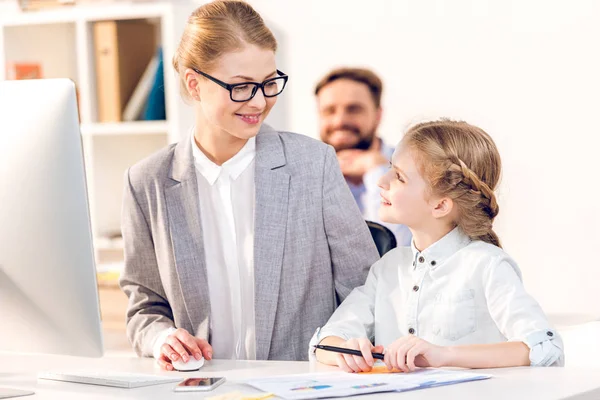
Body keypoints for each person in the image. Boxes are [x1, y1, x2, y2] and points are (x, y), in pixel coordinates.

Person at [119, 0, 379, 370]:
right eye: (241, 87)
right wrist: (163, 337)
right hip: (201, 389)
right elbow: (144, 305)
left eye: (269, 83)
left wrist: (338, 343)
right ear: (194, 84)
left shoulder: (313, 164)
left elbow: (365, 286)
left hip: (301, 385)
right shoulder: (147, 182)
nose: (259, 101)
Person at [310, 120, 564, 372]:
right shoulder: (387, 268)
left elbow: (545, 348)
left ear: (440, 205)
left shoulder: (487, 265)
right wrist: (347, 351)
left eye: (398, 176)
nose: (382, 181)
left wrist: (443, 355)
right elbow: (323, 342)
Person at [315, 68, 411, 246]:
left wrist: (378, 170)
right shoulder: (306, 176)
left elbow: (400, 252)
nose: (339, 121)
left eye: (354, 109)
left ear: (378, 115)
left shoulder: (419, 168)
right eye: (329, 111)